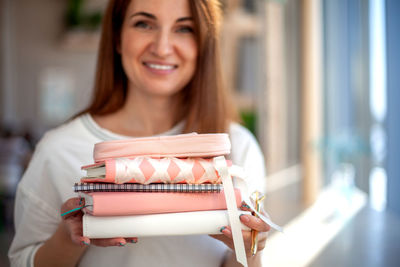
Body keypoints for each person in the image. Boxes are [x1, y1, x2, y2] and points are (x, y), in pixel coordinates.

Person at [8, 0, 270, 266]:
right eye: (144, 24)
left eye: (184, 29)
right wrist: (68, 236)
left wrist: (250, 249)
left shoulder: (237, 147)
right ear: (118, 38)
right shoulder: (58, 151)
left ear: (204, 44)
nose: (162, 47)